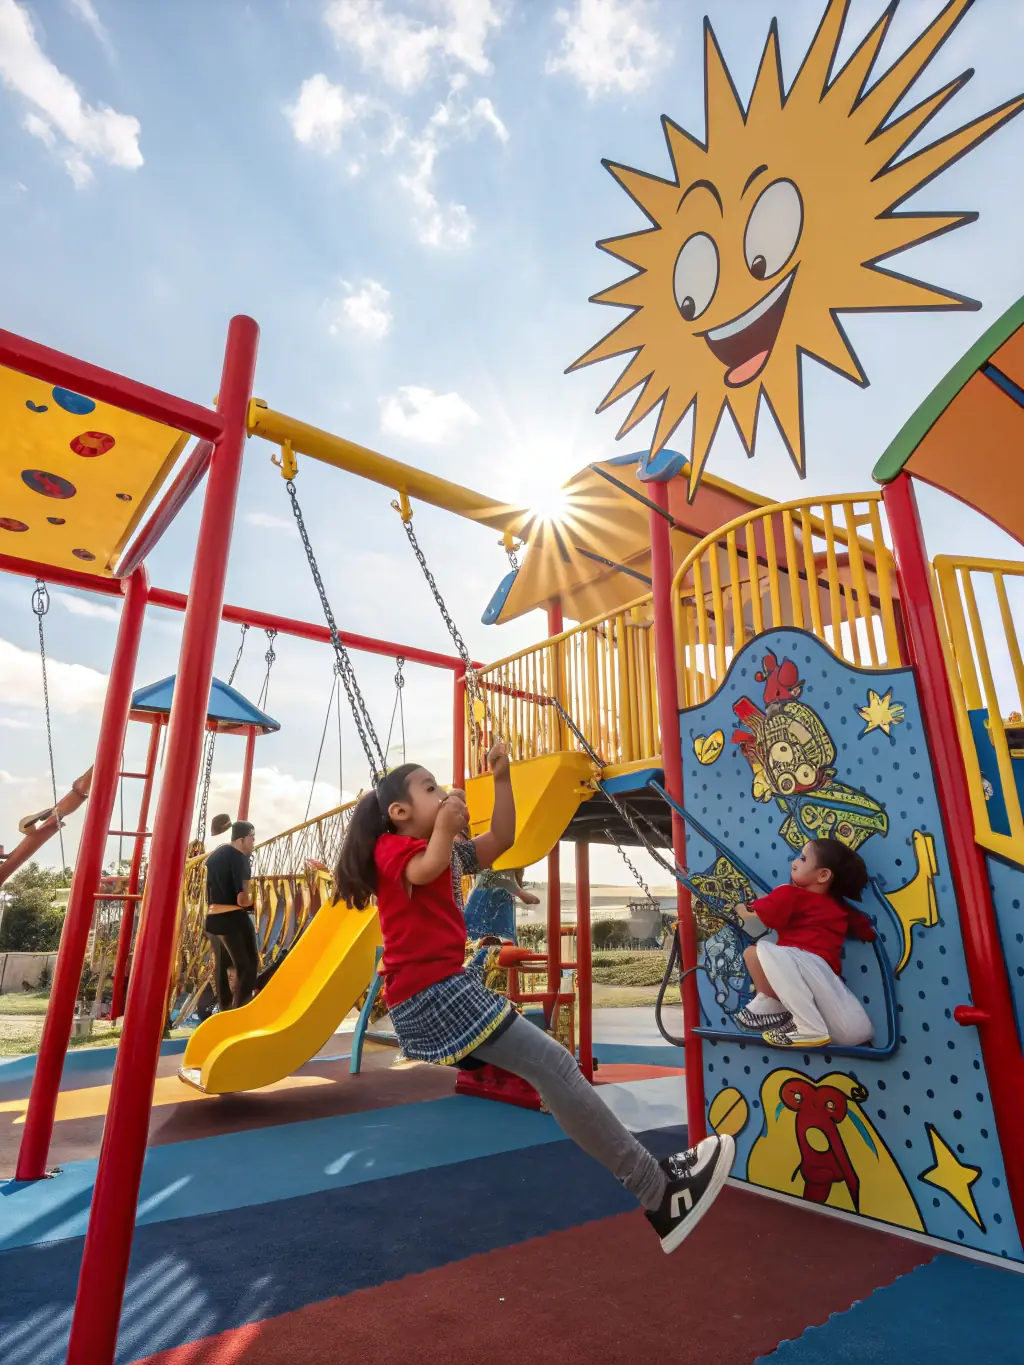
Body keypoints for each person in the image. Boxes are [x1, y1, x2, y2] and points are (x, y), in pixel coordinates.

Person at [335, 741, 735, 1254]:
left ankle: (655, 1186)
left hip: (443, 991)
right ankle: (658, 1191)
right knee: (556, 1067)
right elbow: (426, 869)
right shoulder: (394, 849)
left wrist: (502, 781)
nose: (443, 792)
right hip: (431, 995)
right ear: (400, 812)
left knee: (552, 1068)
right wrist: (446, 827)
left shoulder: (443, 849)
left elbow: (501, 838)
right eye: (430, 787)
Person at [734, 838, 877, 1048]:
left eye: (802, 858)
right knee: (850, 1032)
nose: (794, 862)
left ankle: (787, 1014)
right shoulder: (840, 907)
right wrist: (867, 933)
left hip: (804, 965)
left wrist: (744, 910)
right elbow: (864, 928)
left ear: (823, 875)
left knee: (757, 952)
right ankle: (788, 1012)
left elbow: (768, 911)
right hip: (827, 978)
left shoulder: (790, 893)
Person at [204, 820, 259, 1012]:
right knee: (249, 967)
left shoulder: (214, 856)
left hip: (212, 921)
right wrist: (256, 903)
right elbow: (242, 899)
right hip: (233, 920)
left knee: (223, 967)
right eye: (252, 838)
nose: (253, 843)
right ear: (242, 839)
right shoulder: (241, 858)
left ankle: (224, 1009)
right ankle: (240, 1013)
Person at [464, 864, 540, 943]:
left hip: (471, 917)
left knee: (473, 946)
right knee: (501, 946)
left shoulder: (484, 870)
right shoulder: (506, 884)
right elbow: (528, 899)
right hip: (493, 926)